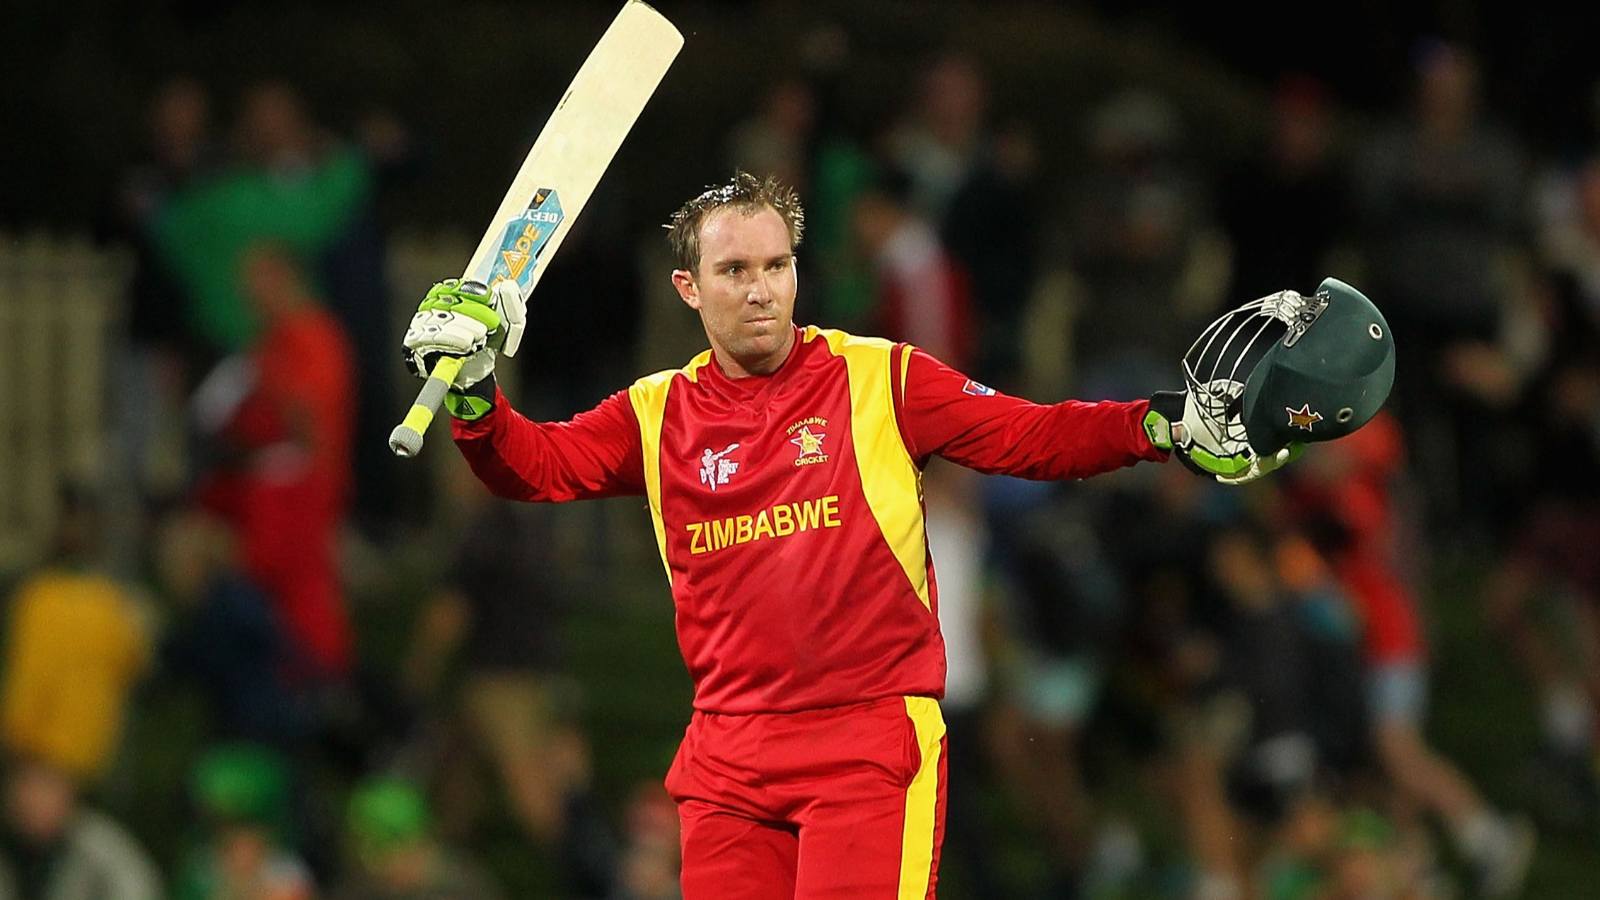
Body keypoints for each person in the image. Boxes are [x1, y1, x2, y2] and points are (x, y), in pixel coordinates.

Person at [399, 172, 1315, 898]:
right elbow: (533, 467)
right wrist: (476, 396)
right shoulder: (655, 412)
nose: (761, 291)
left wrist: (1160, 424)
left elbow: (1031, 436)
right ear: (688, 287)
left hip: (867, 745)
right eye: (734, 271)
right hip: (727, 759)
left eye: (776, 265)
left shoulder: (879, 377)